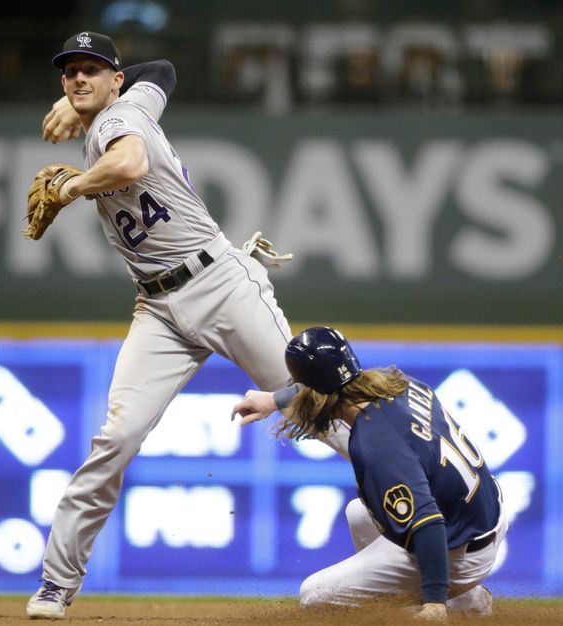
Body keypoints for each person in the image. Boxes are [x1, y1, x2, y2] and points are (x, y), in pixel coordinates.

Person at [25, 32, 351, 619]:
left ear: (114, 81)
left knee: (320, 407)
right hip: (157, 309)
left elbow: (129, 162)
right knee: (117, 438)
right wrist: (76, 103)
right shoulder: (136, 101)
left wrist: (72, 185)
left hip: (221, 285)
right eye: (70, 72)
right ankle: (56, 584)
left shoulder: (115, 120)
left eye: (92, 71)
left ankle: (432, 489)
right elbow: (166, 68)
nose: (79, 79)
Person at [232, 327, 508, 621]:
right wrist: (275, 400)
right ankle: (469, 601)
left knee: (315, 595)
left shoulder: (376, 443)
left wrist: (434, 603)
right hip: (485, 513)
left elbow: (428, 524)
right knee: (358, 514)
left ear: (314, 394)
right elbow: (325, 382)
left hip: (457, 549)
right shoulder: (399, 383)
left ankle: (451, 595)